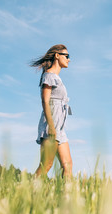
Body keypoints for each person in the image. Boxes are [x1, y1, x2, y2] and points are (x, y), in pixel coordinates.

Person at [30, 44, 72, 178]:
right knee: (46, 164)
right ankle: (27, 192)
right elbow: (45, 101)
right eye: (67, 56)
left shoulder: (57, 78)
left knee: (67, 165)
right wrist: (52, 127)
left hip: (60, 128)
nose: (69, 59)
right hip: (51, 125)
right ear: (57, 56)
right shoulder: (49, 76)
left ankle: (66, 197)